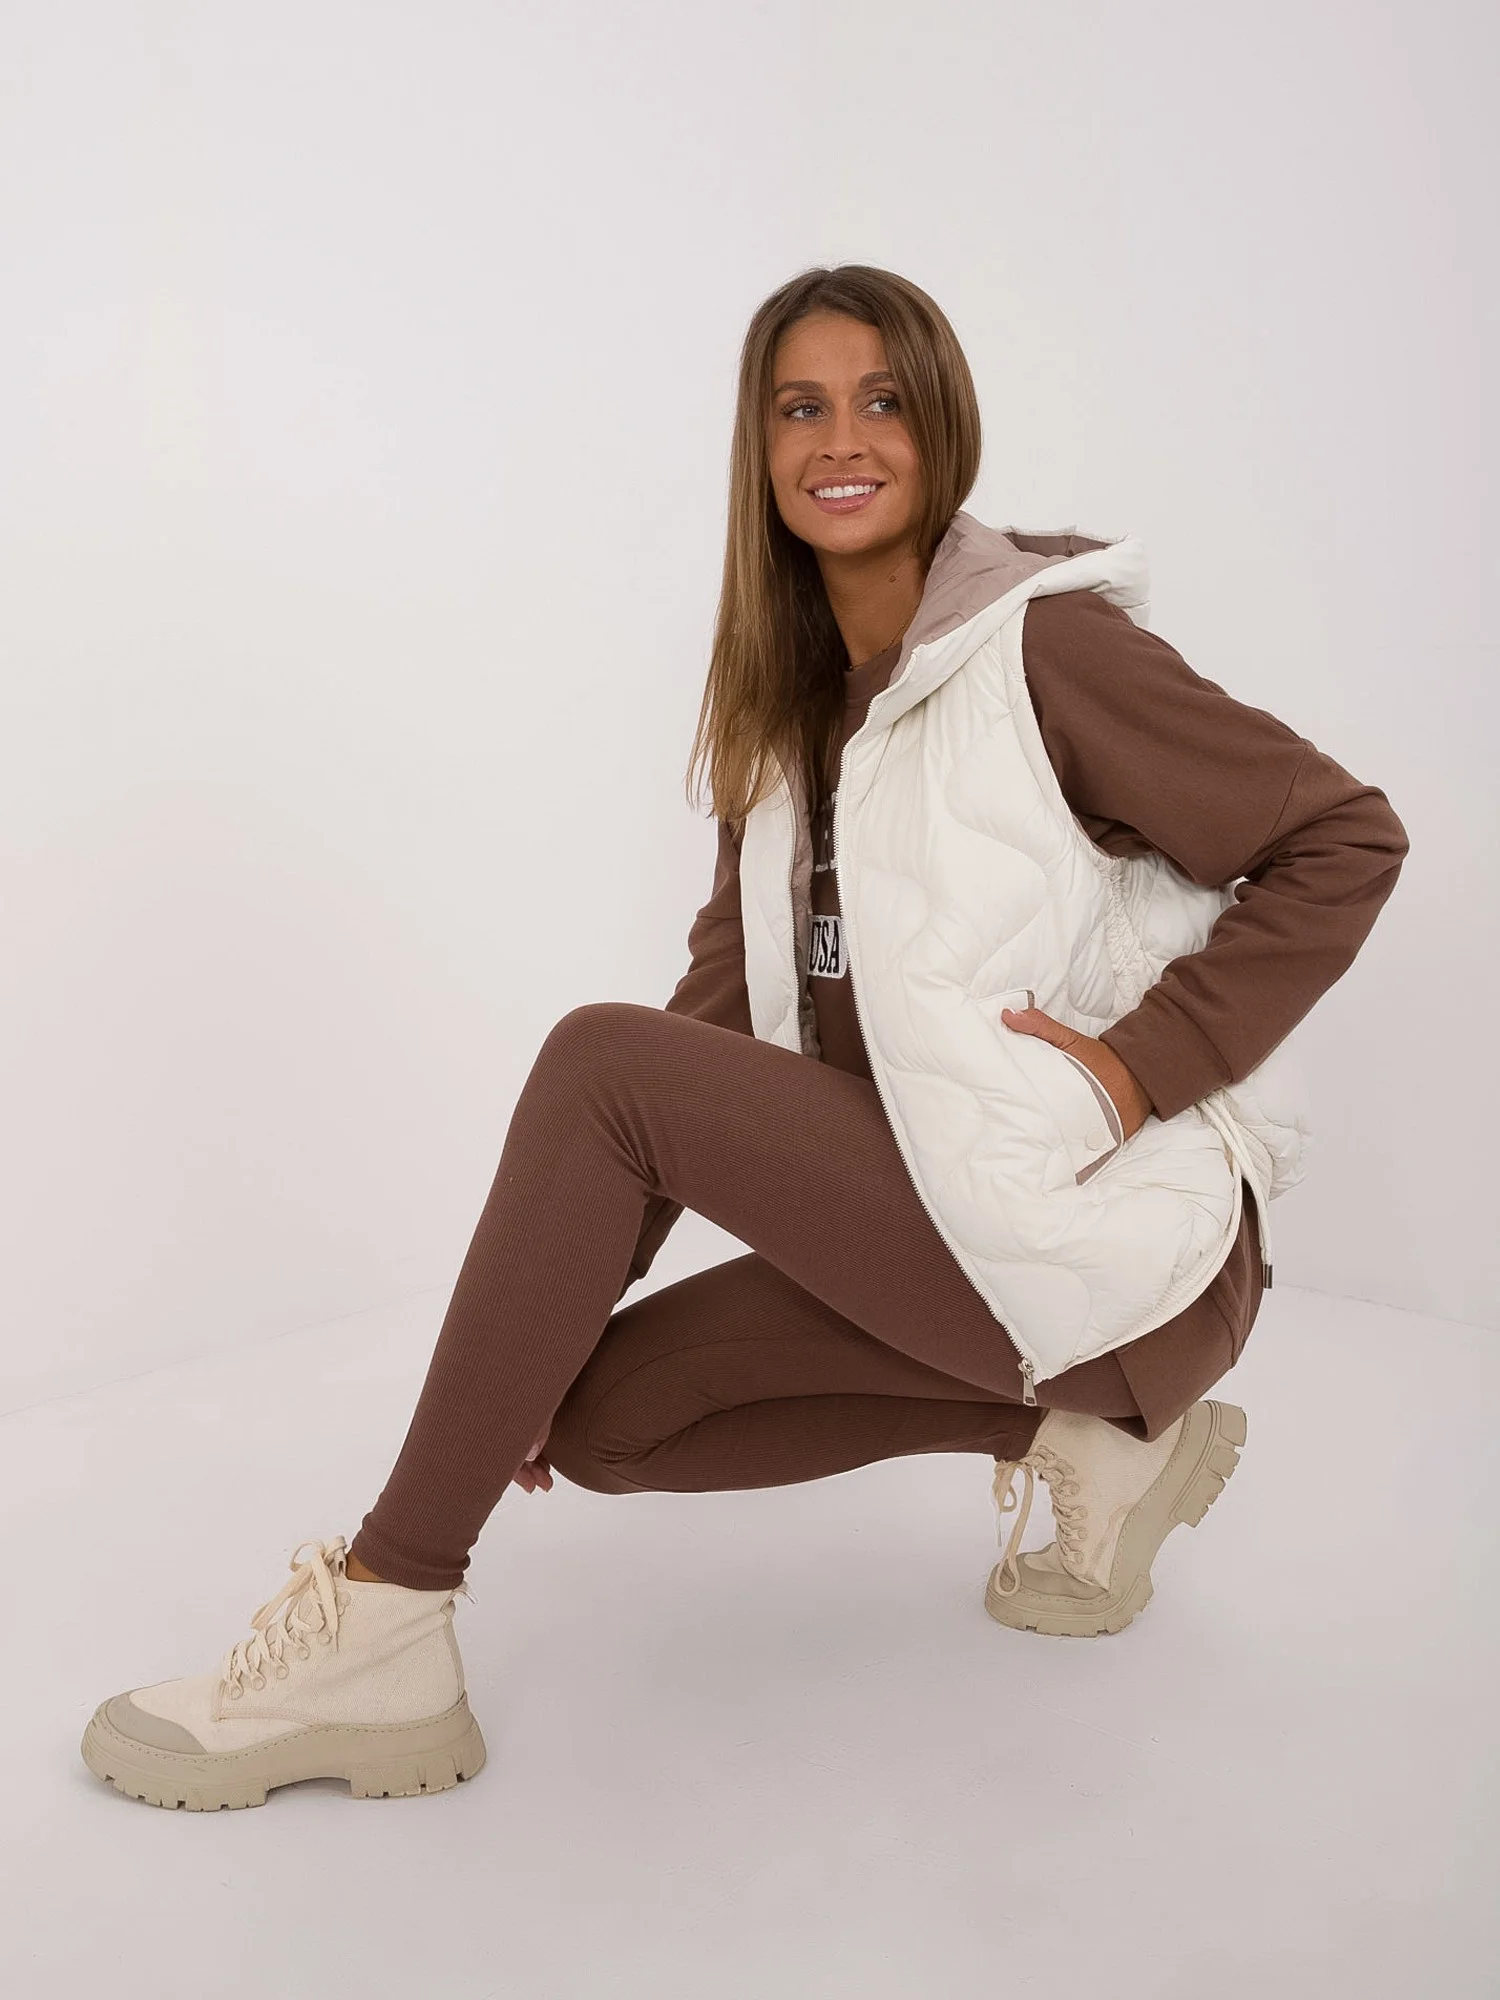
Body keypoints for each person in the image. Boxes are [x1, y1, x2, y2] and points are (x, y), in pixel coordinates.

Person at [80, 264, 1408, 1811]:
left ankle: (385, 1621)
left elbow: (1343, 838)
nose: (841, 439)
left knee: (598, 1058)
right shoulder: (788, 728)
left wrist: (1133, 1070)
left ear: (943, 428)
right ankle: (1111, 1436)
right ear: (760, 449)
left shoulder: (1043, 652)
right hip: (967, 1238)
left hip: (1126, 1235)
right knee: (597, 1419)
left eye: (882, 400)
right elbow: (704, 1034)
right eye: (800, 407)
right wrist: (535, 1339)